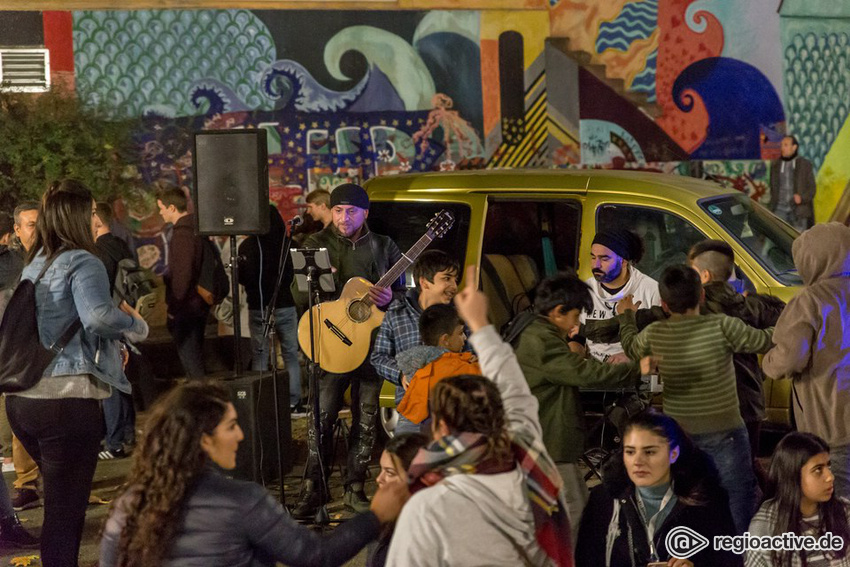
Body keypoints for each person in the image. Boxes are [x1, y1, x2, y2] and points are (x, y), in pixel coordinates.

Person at [100, 381, 409, 567]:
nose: (240, 436)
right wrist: (375, 516)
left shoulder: (129, 504)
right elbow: (316, 556)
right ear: (205, 439)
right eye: (231, 426)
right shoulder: (241, 501)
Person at [386, 265, 573, 566]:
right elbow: (515, 392)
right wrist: (480, 324)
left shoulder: (426, 505)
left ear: (441, 426)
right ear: (497, 414)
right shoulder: (532, 464)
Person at [11, 179, 148, 566]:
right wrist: (136, 326)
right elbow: (99, 317)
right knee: (65, 512)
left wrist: (111, 347)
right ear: (76, 216)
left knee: (59, 503)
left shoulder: (36, 262)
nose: (95, 220)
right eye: (90, 213)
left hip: (24, 401)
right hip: (65, 401)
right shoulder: (83, 260)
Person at [617, 264, 774, 534]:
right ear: (702, 296)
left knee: (688, 495)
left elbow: (631, 347)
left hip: (681, 435)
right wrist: (791, 326)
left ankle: (691, 548)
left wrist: (627, 316)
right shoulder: (722, 326)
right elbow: (762, 341)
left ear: (665, 305)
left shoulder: (656, 333)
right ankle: (740, 554)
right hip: (726, 431)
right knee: (739, 495)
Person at [291, 183, 404, 518]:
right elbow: (298, 297)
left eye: (351, 211)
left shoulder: (384, 246)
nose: (343, 217)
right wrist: (321, 286)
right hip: (331, 345)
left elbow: (406, 297)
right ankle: (315, 488)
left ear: (365, 212)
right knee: (321, 417)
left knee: (367, 419)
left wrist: (391, 298)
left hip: (373, 347)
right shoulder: (316, 245)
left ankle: (355, 488)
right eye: (337, 210)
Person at [515, 271, 641, 543]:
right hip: (547, 443)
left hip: (547, 442)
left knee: (578, 504)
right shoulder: (540, 340)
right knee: (575, 509)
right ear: (559, 312)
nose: (576, 325)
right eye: (575, 316)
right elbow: (581, 372)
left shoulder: (537, 332)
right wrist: (634, 370)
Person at [576, 410, 741, 567]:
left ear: (674, 454)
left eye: (649, 452)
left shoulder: (706, 501)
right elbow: (584, 560)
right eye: (630, 452)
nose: (638, 461)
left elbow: (730, 561)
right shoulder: (604, 500)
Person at [764, 223, 850, 500]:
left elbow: (789, 358)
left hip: (833, 428)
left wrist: (768, 361)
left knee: (840, 510)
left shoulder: (811, 301)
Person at [688, 240, 785, 482]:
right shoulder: (748, 305)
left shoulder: (694, 309)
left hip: (709, 407)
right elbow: (785, 317)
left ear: (705, 275)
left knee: (707, 475)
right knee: (746, 472)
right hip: (748, 403)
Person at [371, 250, 461, 435]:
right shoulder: (397, 313)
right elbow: (378, 357)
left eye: (455, 280)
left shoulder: (459, 316)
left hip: (451, 413)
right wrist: (401, 375)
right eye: (447, 278)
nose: (454, 286)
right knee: (406, 462)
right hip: (411, 414)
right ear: (424, 282)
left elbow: (472, 356)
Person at [745, 432, 850, 567]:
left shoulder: (843, 512)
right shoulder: (766, 526)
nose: (830, 476)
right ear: (792, 475)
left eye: (828, 466)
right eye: (818, 470)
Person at [238, 204, 303, 412]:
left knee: (260, 354)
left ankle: (260, 401)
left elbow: (241, 277)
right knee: (290, 353)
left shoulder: (247, 246)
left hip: (258, 306)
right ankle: (293, 400)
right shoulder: (290, 245)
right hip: (286, 305)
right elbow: (297, 277)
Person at [93, 202, 137, 460]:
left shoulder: (97, 252)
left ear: (97, 220)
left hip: (109, 323)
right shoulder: (121, 245)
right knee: (123, 379)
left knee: (110, 383)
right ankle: (128, 431)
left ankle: (114, 442)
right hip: (127, 319)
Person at [581, 229, 661, 363]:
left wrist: (632, 356)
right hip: (593, 373)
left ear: (623, 261)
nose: (596, 265)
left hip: (634, 375)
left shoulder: (651, 290)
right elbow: (575, 334)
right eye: (593, 257)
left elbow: (663, 343)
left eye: (604, 258)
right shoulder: (585, 290)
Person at [395, 303, 479, 427]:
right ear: (445, 339)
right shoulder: (463, 369)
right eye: (460, 333)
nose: (465, 338)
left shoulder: (418, 372)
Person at [157, 185, 209, 379]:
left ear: (172, 208)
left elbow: (182, 275)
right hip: (196, 306)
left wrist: (174, 307)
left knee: (192, 365)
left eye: (161, 207)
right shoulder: (194, 230)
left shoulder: (183, 234)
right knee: (194, 360)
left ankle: (203, 405)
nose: (160, 212)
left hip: (187, 309)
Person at [367, 432, 429, 567]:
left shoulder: (423, 533)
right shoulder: (389, 518)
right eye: (381, 469)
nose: (379, 479)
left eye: (389, 472)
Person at [768, 135, 817, 231]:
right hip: (779, 209)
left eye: (785, 145)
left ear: (794, 147)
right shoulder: (775, 165)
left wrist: (801, 198)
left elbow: (812, 189)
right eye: (782, 145)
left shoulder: (805, 165)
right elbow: (773, 188)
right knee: (778, 239)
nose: (782, 148)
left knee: (799, 242)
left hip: (798, 210)